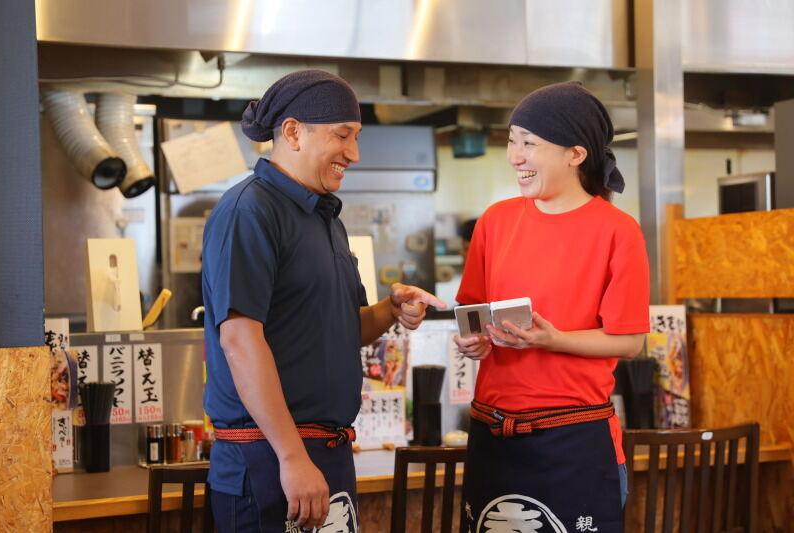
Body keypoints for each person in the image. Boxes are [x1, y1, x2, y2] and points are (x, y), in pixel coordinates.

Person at [201, 69, 445, 532]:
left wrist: (390, 311)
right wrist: (291, 457)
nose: (353, 153)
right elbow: (239, 339)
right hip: (271, 457)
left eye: (355, 137)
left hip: (326, 455)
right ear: (293, 132)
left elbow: (345, 327)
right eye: (342, 135)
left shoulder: (324, 216)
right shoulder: (248, 210)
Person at [454, 81, 649, 533]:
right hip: (493, 431)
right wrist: (473, 341)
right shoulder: (495, 221)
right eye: (511, 140)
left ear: (575, 154)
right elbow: (472, 313)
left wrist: (552, 338)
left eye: (529, 143)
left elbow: (631, 340)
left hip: (573, 438)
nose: (515, 155)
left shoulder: (618, 231)